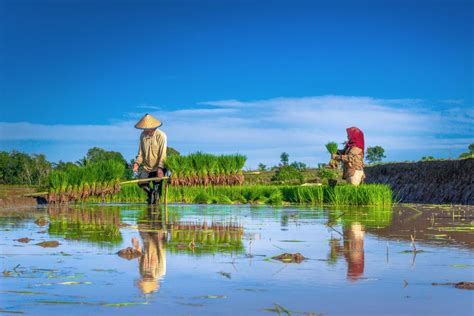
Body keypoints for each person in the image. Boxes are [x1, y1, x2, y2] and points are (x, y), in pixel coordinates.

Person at [132, 114, 167, 204]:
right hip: (147, 167)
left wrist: (160, 168)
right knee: (141, 183)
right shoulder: (142, 136)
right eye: (145, 129)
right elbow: (140, 153)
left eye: (148, 129)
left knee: (157, 185)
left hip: (158, 166)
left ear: (153, 127)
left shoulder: (161, 136)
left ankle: (156, 199)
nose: (146, 131)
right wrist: (136, 163)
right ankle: (150, 193)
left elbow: (163, 154)